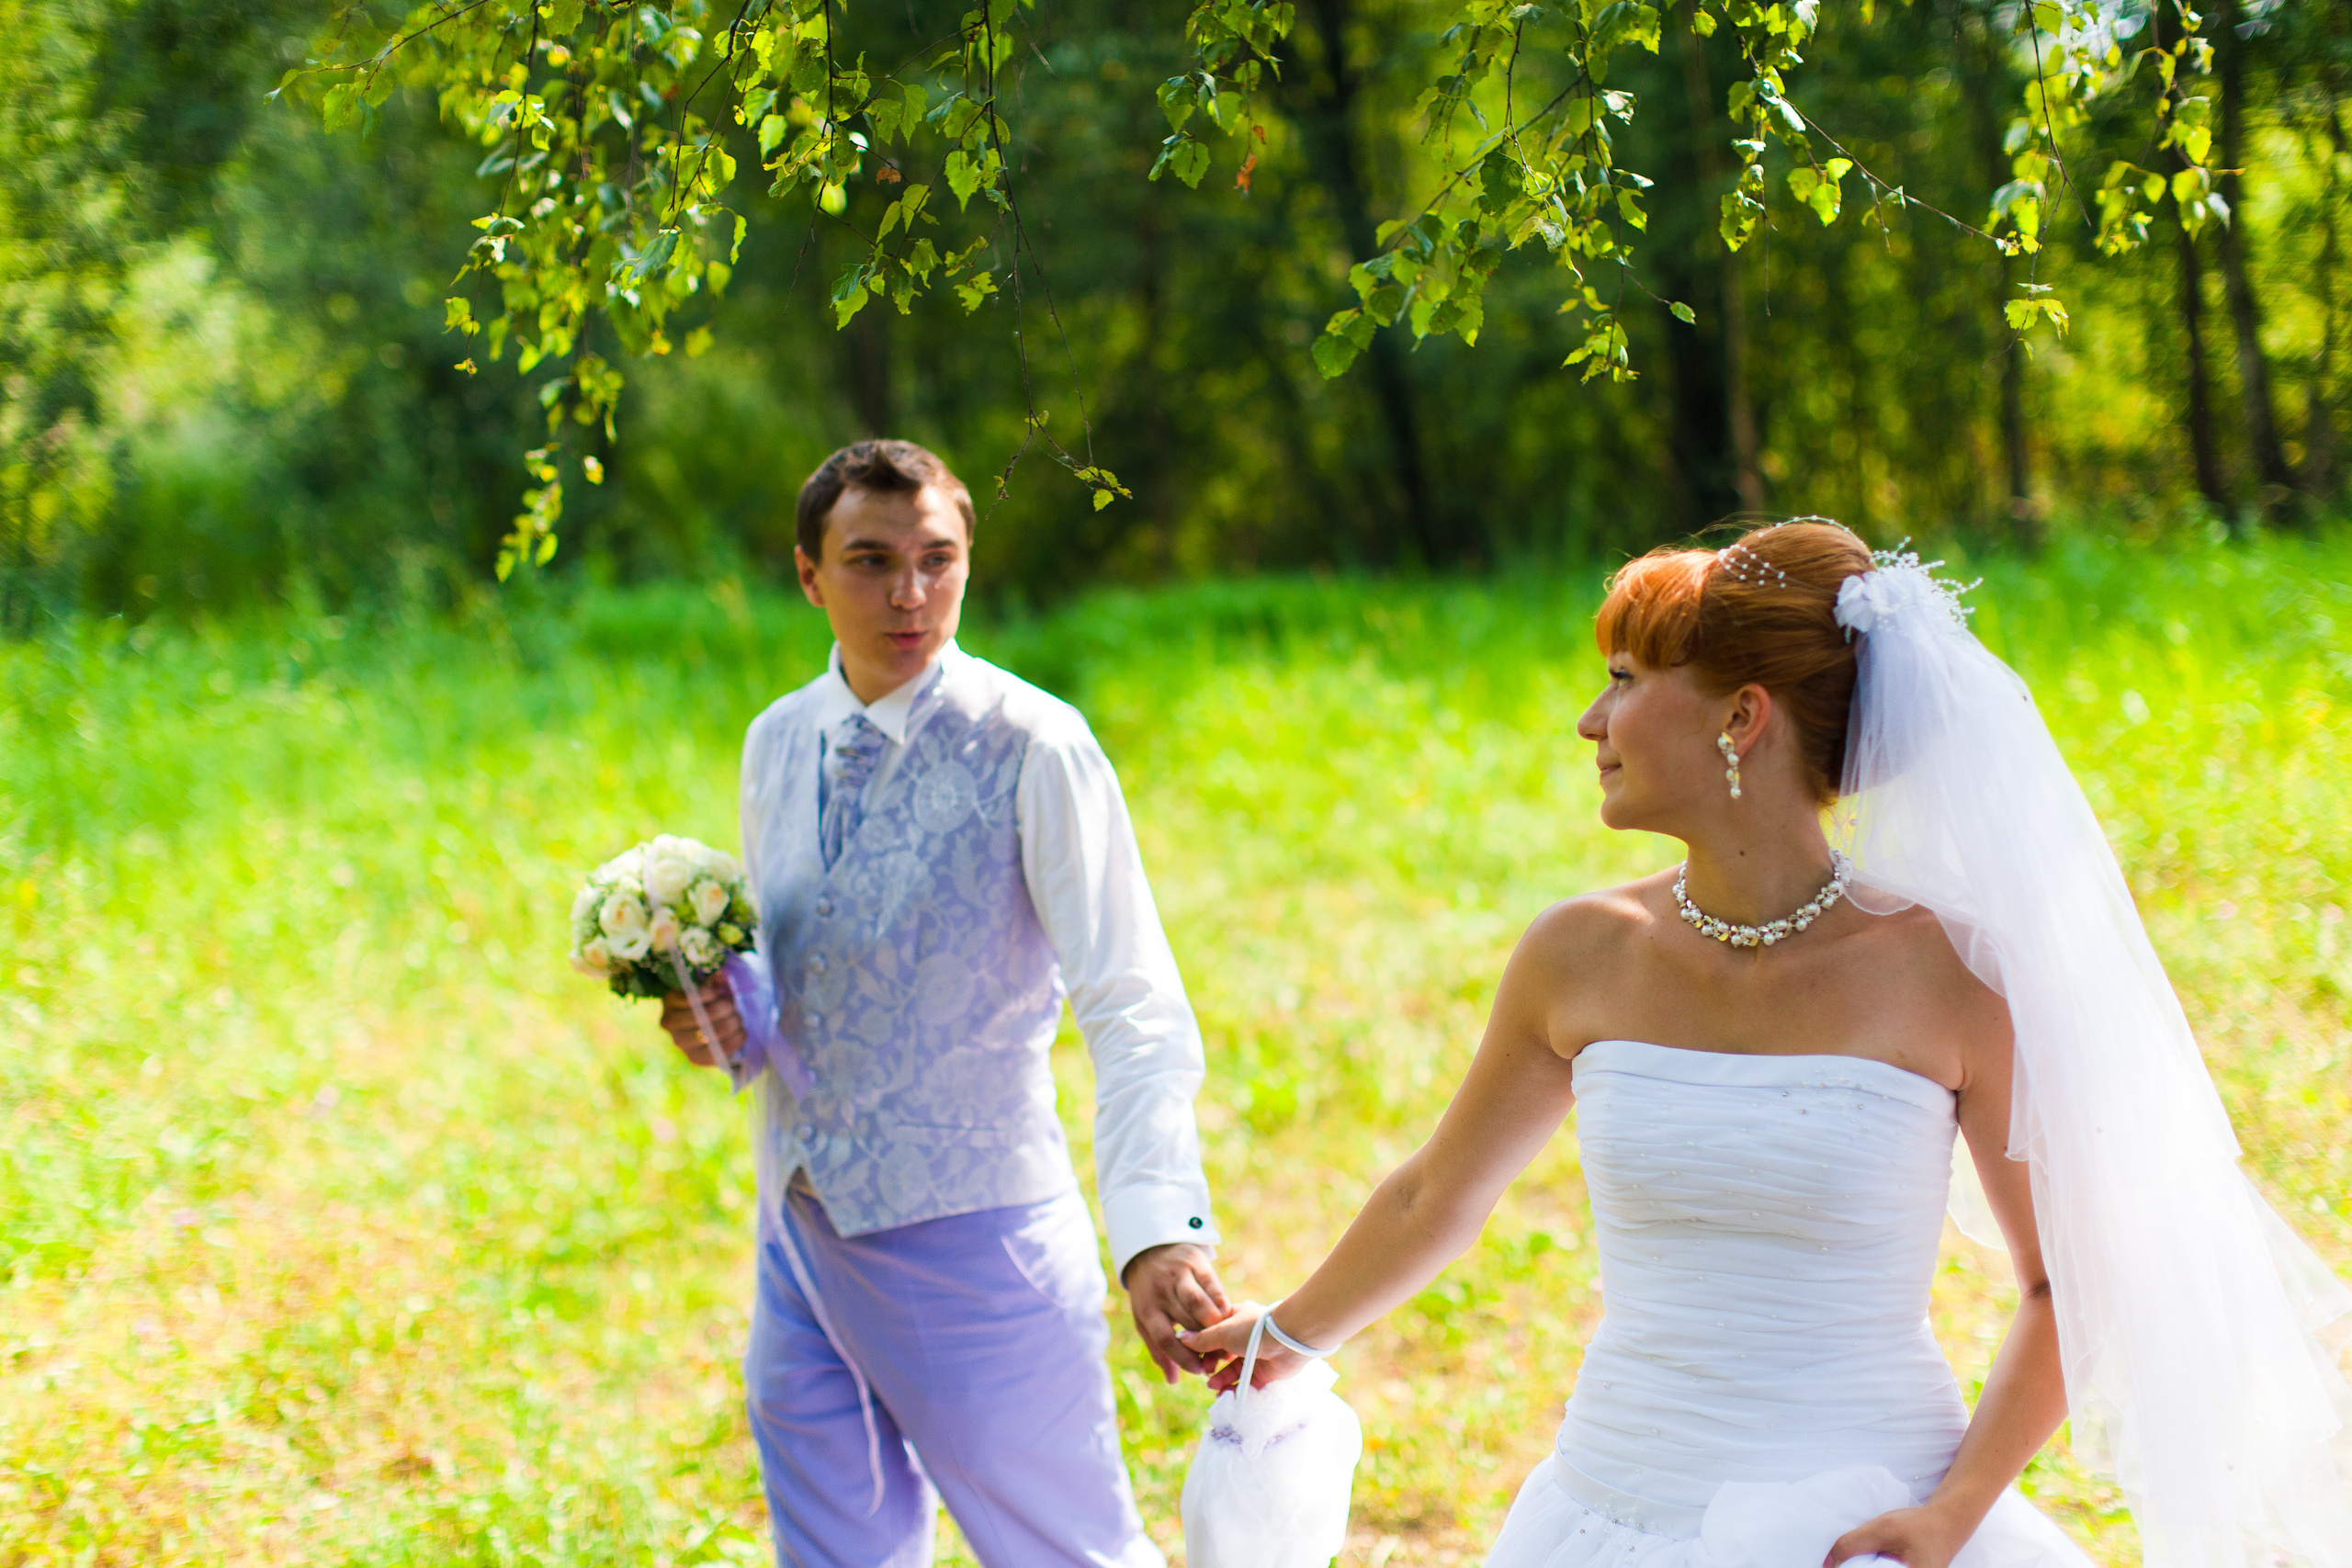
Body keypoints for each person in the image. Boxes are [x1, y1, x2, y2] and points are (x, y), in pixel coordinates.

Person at [1182, 522, 2352, 1568]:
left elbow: (2063, 1286)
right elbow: (1435, 1192)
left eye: (1626, 682)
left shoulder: (1951, 973)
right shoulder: (1579, 954)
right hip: (1610, 1509)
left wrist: (1948, 1519)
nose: (1590, 721)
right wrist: (1281, 1335)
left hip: (1871, 1519)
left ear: (1741, 717)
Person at [658, 438, 1232, 1568]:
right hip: (800, 1228)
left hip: (977, 1237)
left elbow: (1132, 998)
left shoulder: (1037, 745)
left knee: (1065, 1551)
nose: (910, 594)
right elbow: (805, 960)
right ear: (808, 575)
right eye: (871, 561)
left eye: (937, 559)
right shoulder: (777, 741)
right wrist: (727, 1015)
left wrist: (1159, 1225)